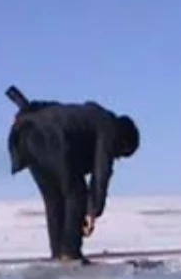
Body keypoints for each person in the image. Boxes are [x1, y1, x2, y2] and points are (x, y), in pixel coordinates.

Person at [8, 96, 140, 263]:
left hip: (25, 137)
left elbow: (51, 106)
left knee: (54, 198)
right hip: (50, 138)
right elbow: (102, 171)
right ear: (122, 139)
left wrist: (25, 112)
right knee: (76, 193)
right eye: (120, 153)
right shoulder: (108, 127)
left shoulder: (89, 116)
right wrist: (92, 210)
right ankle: (70, 253)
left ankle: (58, 255)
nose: (115, 156)